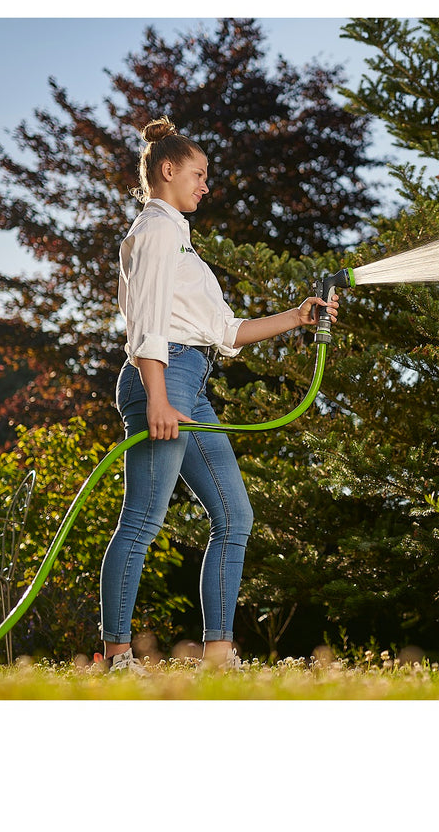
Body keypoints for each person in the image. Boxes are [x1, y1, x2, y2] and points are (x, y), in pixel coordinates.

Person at [99, 117, 338, 673]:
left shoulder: (178, 241)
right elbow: (148, 325)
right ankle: (116, 655)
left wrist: (295, 317)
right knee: (143, 517)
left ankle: (219, 654)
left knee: (234, 514)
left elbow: (225, 332)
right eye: (199, 174)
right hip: (164, 376)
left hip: (189, 379)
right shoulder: (157, 231)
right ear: (167, 170)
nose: (206, 185)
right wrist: (159, 396)